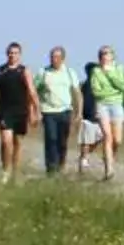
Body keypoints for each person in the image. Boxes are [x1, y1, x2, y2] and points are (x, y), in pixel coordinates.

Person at [0, 42, 39, 181]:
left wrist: (36, 110)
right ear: (7, 54)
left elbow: (31, 91)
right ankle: (6, 171)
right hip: (4, 110)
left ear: (19, 55)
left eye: (15, 53)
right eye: (10, 53)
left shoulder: (24, 71)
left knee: (17, 143)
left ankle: (15, 171)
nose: (13, 55)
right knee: (6, 140)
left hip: (21, 111)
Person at [85, 44, 124, 179]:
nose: (104, 56)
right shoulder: (96, 71)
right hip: (102, 105)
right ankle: (108, 169)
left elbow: (122, 85)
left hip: (116, 104)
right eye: (102, 54)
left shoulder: (118, 68)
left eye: (107, 53)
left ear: (112, 56)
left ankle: (110, 156)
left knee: (118, 140)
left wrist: (109, 74)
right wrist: (111, 91)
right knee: (107, 136)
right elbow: (96, 91)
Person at [34, 45, 80, 176]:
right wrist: (35, 109)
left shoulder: (70, 72)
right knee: (51, 139)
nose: (54, 59)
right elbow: (34, 91)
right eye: (52, 57)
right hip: (48, 111)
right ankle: (51, 168)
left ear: (63, 59)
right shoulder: (43, 72)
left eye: (57, 57)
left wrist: (79, 112)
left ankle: (61, 164)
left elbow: (77, 92)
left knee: (62, 141)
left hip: (65, 111)